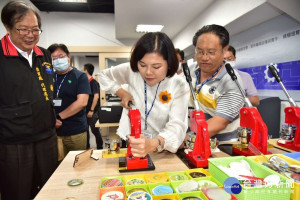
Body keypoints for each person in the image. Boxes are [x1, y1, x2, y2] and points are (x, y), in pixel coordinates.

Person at [98, 32, 190, 157]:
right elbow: (103, 76)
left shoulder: (179, 84)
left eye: (156, 67)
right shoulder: (131, 71)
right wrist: (122, 93)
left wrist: (154, 143)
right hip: (132, 138)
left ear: (169, 64)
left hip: (162, 145)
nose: (148, 72)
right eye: (142, 65)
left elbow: (177, 125)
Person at [0, 1, 58, 200]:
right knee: (18, 192)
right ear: (8, 27)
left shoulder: (45, 54)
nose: (30, 35)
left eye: (35, 29)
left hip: (47, 137)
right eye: (23, 29)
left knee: (50, 189)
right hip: (14, 142)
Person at [192, 24, 244, 141]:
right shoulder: (191, 71)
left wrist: (186, 139)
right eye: (200, 52)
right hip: (194, 138)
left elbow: (220, 122)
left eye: (211, 52)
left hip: (223, 144)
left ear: (224, 51)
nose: (204, 58)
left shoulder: (231, 80)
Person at [47, 43, 91, 158]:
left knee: (77, 163)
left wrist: (58, 118)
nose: (57, 60)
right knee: (56, 166)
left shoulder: (80, 76)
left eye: (61, 56)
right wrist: (51, 120)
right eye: (54, 58)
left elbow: (82, 102)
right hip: (52, 132)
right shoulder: (48, 77)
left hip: (75, 131)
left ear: (68, 56)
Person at [83, 63, 103, 149]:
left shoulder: (93, 82)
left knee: (94, 130)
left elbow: (96, 96)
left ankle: (100, 147)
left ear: (86, 71)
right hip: (84, 110)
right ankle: (87, 147)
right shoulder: (85, 82)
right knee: (85, 130)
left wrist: (91, 110)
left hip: (92, 111)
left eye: (83, 70)